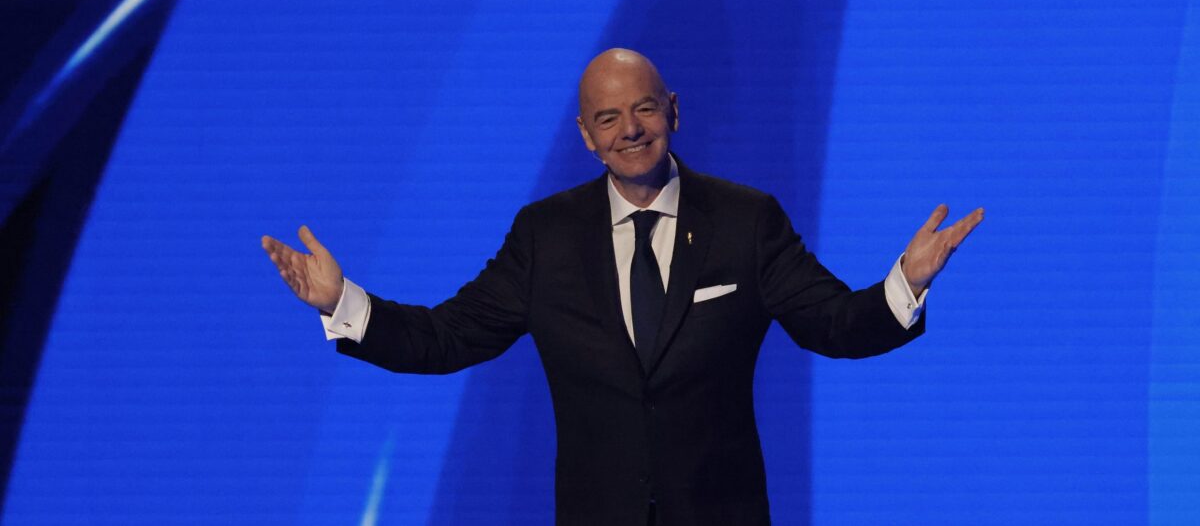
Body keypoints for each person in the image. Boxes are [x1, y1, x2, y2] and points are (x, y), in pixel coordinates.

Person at [262, 48, 983, 525]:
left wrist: (904, 281)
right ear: (586, 135)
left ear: (674, 111)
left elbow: (833, 322)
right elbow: (447, 337)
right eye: (608, 118)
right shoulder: (544, 236)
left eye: (644, 109)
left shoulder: (745, 221)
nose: (629, 130)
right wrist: (342, 302)